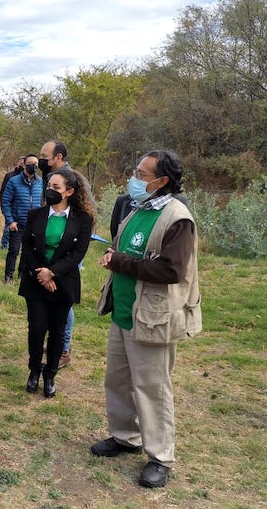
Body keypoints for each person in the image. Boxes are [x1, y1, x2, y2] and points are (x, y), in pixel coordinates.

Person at [92, 150, 201, 489]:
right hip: (125, 312)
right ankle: (126, 437)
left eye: (142, 173)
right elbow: (130, 250)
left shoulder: (177, 217)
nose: (134, 178)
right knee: (118, 381)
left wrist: (120, 262)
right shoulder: (137, 208)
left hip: (153, 317)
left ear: (161, 181)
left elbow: (171, 270)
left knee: (152, 389)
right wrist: (116, 256)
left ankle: (160, 457)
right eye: (135, 170)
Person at [19, 168, 94, 398]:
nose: (50, 191)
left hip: (63, 283)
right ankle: (34, 371)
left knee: (58, 332)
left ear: (69, 192)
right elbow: (28, 249)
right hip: (36, 282)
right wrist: (41, 275)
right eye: (49, 186)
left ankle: (50, 375)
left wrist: (52, 273)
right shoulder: (35, 215)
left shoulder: (83, 220)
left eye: (56, 188)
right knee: (37, 329)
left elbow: (77, 254)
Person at [38, 140, 94, 369]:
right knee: (48, 299)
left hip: (67, 253)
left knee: (64, 300)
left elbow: (87, 213)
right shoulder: (50, 179)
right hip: (47, 254)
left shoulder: (74, 180)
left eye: (45, 156)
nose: (41, 160)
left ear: (58, 157)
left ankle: (64, 348)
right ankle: (55, 339)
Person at [1, 154, 43, 285]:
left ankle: (22, 275)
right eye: (30, 163)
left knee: (28, 252)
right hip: (17, 224)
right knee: (13, 251)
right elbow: (5, 202)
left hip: (34, 225)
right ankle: (8, 277)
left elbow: (44, 203)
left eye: (36, 163)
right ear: (24, 165)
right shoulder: (13, 181)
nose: (33, 166)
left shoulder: (41, 182)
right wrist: (10, 221)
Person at [0, 157, 26, 249]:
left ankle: (18, 246)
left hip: (22, 208)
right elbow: (3, 192)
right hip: (10, 207)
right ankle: (4, 246)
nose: (22, 164)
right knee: (8, 229)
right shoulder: (10, 176)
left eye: (24, 163)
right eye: (20, 162)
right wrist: (3, 207)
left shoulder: (30, 178)